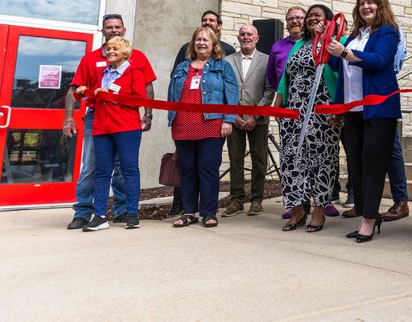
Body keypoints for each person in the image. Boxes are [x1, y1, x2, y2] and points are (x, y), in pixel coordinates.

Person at [63, 13, 156, 230]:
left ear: (123, 30)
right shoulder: (91, 59)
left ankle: (123, 211)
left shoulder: (138, 59)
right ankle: (84, 212)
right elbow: (74, 90)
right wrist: (69, 117)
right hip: (97, 119)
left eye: (117, 27)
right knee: (92, 168)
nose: (113, 30)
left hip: (126, 120)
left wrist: (148, 114)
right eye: (109, 27)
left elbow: (147, 89)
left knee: (124, 169)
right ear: (103, 31)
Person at [327, 0, 401, 243]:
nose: (365, 6)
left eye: (371, 2)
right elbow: (336, 65)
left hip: (378, 109)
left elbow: (379, 61)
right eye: (362, 3)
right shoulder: (354, 35)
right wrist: (327, 42)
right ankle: (365, 213)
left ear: (381, 6)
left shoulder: (388, 32)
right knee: (356, 165)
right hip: (352, 110)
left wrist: (345, 53)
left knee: (373, 165)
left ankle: (369, 218)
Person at [275, 4, 343, 232]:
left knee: (321, 160)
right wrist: (279, 99)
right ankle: (297, 209)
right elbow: (286, 75)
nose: (313, 18)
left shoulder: (333, 44)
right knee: (291, 159)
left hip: (322, 112)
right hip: (294, 112)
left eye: (318, 15)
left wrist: (337, 106)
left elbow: (340, 73)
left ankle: (319, 208)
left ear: (329, 20)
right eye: (310, 15)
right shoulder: (299, 45)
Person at [169, 27, 238, 228]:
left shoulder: (222, 66)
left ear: (213, 44)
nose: (201, 43)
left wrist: (228, 120)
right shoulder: (182, 67)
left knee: (207, 169)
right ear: (193, 43)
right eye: (198, 39)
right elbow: (172, 95)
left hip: (212, 123)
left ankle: (209, 212)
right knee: (188, 169)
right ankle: (189, 211)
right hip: (183, 124)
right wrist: (172, 118)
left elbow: (231, 94)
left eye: (206, 40)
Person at [77, 37, 147, 231]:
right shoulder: (101, 73)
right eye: (108, 48)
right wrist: (87, 93)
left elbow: (139, 100)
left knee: (129, 170)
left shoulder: (134, 72)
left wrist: (111, 95)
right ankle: (99, 216)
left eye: (115, 48)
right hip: (102, 127)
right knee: (102, 172)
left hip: (126, 128)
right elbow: (94, 101)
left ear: (125, 52)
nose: (110, 51)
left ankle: (132, 213)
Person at [221, 24, 275, 218]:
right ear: (238, 37)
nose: (246, 37)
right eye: (242, 34)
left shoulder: (267, 60)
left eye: (249, 34)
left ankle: (257, 200)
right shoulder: (227, 61)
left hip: (257, 120)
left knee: (259, 160)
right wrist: (233, 116)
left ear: (257, 38)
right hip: (234, 118)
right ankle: (236, 200)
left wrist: (255, 115)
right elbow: (224, 91)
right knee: (235, 160)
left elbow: (270, 90)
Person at [380, 29, 411, 222]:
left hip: (383, 91)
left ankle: (401, 200)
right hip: (361, 95)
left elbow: (395, 63)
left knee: (392, 149)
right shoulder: (361, 31)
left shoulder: (392, 30)